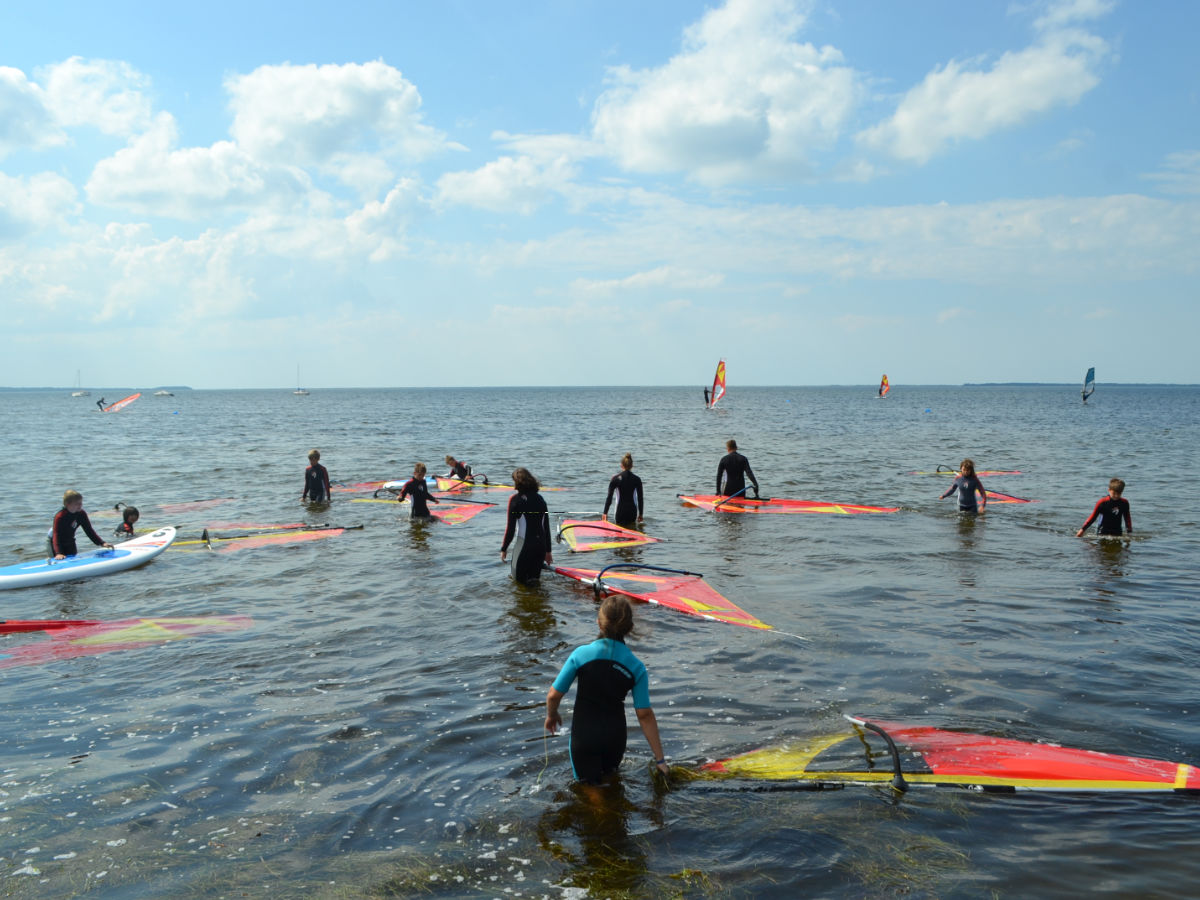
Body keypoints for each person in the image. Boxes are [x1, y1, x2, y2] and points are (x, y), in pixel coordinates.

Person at [545, 595, 670, 783]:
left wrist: (552, 715)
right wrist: (660, 760)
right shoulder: (636, 667)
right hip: (615, 738)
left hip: (585, 736)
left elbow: (554, 695)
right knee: (611, 782)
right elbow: (644, 714)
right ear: (629, 627)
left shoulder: (581, 654)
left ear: (599, 623)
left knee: (591, 793)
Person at [500, 467, 553, 584]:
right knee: (535, 583)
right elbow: (546, 527)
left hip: (524, 547)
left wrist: (504, 549)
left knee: (518, 584)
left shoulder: (515, 500)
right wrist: (548, 551)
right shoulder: (540, 499)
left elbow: (511, 529)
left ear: (517, 482)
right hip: (540, 547)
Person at [49, 490, 112, 559]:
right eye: (77, 503)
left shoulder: (81, 514)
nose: (80, 505)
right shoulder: (60, 516)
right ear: (67, 504)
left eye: (81, 503)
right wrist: (58, 553)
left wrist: (102, 543)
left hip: (70, 541)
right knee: (59, 561)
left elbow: (89, 530)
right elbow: (56, 536)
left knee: (73, 561)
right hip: (54, 542)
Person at [602, 453, 644, 527]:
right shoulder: (637, 479)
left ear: (621, 465)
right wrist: (640, 514)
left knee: (619, 534)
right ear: (632, 466)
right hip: (632, 512)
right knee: (632, 531)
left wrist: (605, 512)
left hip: (620, 512)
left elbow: (609, 497)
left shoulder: (615, 479)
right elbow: (640, 498)